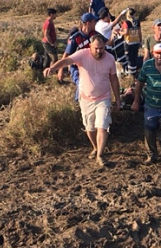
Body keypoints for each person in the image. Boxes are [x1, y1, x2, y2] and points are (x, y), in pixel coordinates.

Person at [44, 35, 121, 167]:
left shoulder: (110, 59)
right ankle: (95, 147)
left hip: (103, 97)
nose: (99, 51)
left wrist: (118, 99)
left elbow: (114, 79)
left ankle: (100, 155)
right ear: (90, 46)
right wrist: (53, 68)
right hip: (85, 98)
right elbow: (66, 60)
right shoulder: (82, 54)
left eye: (102, 48)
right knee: (89, 128)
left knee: (102, 126)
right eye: (96, 48)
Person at [58, 13, 101, 98]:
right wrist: (61, 70)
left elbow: (107, 43)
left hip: (90, 66)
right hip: (76, 67)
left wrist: (114, 35)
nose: (96, 23)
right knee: (82, 84)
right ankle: (78, 102)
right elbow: (66, 54)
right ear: (88, 23)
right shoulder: (75, 38)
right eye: (94, 21)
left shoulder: (95, 34)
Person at [119, 8, 142, 76]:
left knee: (129, 59)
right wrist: (140, 41)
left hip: (128, 43)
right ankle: (134, 72)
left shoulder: (126, 23)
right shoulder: (137, 22)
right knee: (135, 58)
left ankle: (130, 74)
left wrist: (120, 32)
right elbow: (140, 32)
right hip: (136, 42)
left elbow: (126, 32)